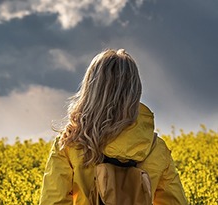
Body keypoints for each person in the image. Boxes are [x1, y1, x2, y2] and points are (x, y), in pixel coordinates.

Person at [39, 49, 188, 205]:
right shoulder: (156, 149)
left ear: (91, 89)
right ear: (135, 90)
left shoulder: (70, 143)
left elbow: (53, 202)